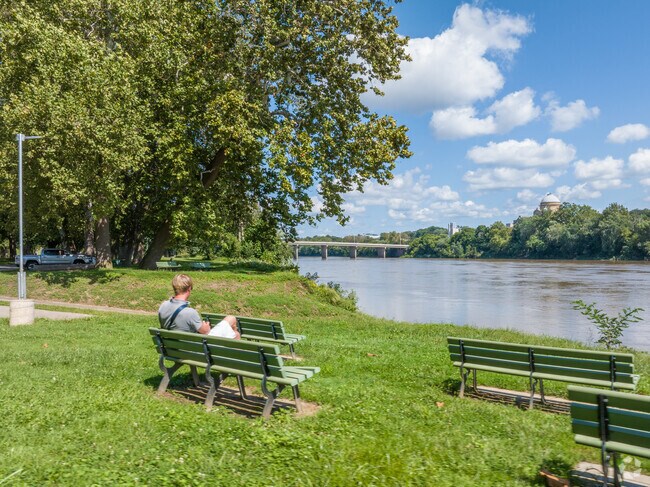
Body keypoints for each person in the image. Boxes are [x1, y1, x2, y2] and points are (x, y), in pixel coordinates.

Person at [158, 274, 240, 339]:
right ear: (189, 288)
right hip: (195, 350)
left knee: (235, 334)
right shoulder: (190, 313)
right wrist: (206, 326)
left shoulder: (163, 306)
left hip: (174, 349)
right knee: (231, 320)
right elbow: (206, 332)